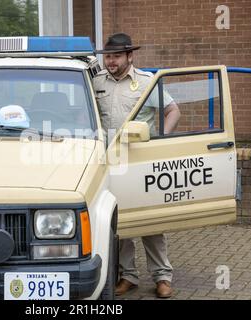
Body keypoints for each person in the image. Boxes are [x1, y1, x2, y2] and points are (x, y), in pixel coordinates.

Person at [93, 33, 181, 298]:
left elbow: (173, 111)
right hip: (111, 162)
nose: (111, 61)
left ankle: (162, 277)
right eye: (108, 56)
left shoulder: (146, 82)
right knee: (120, 224)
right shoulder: (96, 82)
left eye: (117, 56)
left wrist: (159, 140)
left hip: (142, 161)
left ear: (130, 56)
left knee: (151, 222)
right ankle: (128, 276)